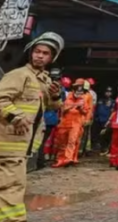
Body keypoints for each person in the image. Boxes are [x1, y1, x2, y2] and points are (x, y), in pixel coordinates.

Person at [0, 32, 64, 222]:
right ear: (30, 53)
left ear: (52, 58)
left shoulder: (43, 80)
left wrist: (55, 95)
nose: (40, 56)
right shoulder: (19, 75)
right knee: (12, 186)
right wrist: (15, 116)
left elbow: (52, 106)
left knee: (11, 184)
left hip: (23, 144)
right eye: (37, 51)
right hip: (9, 143)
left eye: (45, 53)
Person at [53, 79, 90, 168]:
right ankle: (60, 160)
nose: (79, 93)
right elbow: (62, 110)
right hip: (64, 124)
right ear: (74, 91)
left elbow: (86, 111)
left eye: (81, 91)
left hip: (75, 124)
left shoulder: (83, 100)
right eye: (77, 91)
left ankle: (68, 159)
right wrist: (72, 106)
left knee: (72, 141)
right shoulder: (67, 98)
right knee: (62, 143)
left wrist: (81, 109)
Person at [93, 87, 114, 152]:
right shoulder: (100, 100)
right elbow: (96, 109)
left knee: (105, 135)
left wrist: (109, 120)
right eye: (107, 92)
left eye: (109, 92)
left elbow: (113, 112)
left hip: (106, 120)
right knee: (96, 134)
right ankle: (96, 146)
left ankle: (104, 147)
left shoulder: (112, 101)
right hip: (98, 120)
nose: (108, 93)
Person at [78, 79, 96, 156]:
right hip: (80, 117)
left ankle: (81, 150)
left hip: (84, 117)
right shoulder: (78, 94)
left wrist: (88, 118)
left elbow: (91, 107)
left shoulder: (90, 95)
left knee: (84, 134)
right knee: (82, 134)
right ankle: (81, 150)